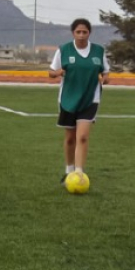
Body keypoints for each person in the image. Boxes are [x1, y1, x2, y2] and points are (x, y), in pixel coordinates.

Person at [47, 18, 110, 183]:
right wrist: (59, 72)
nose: (81, 35)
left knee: (82, 137)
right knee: (70, 138)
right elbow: (51, 73)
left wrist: (105, 78)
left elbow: (106, 72)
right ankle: (69, 170)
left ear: (90, 33)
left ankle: (79, 172)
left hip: (91, 98)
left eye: (85, 32)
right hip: (68, 98)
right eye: (78, 32)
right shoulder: (64, 50)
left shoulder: (99, 51)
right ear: (73, 33)